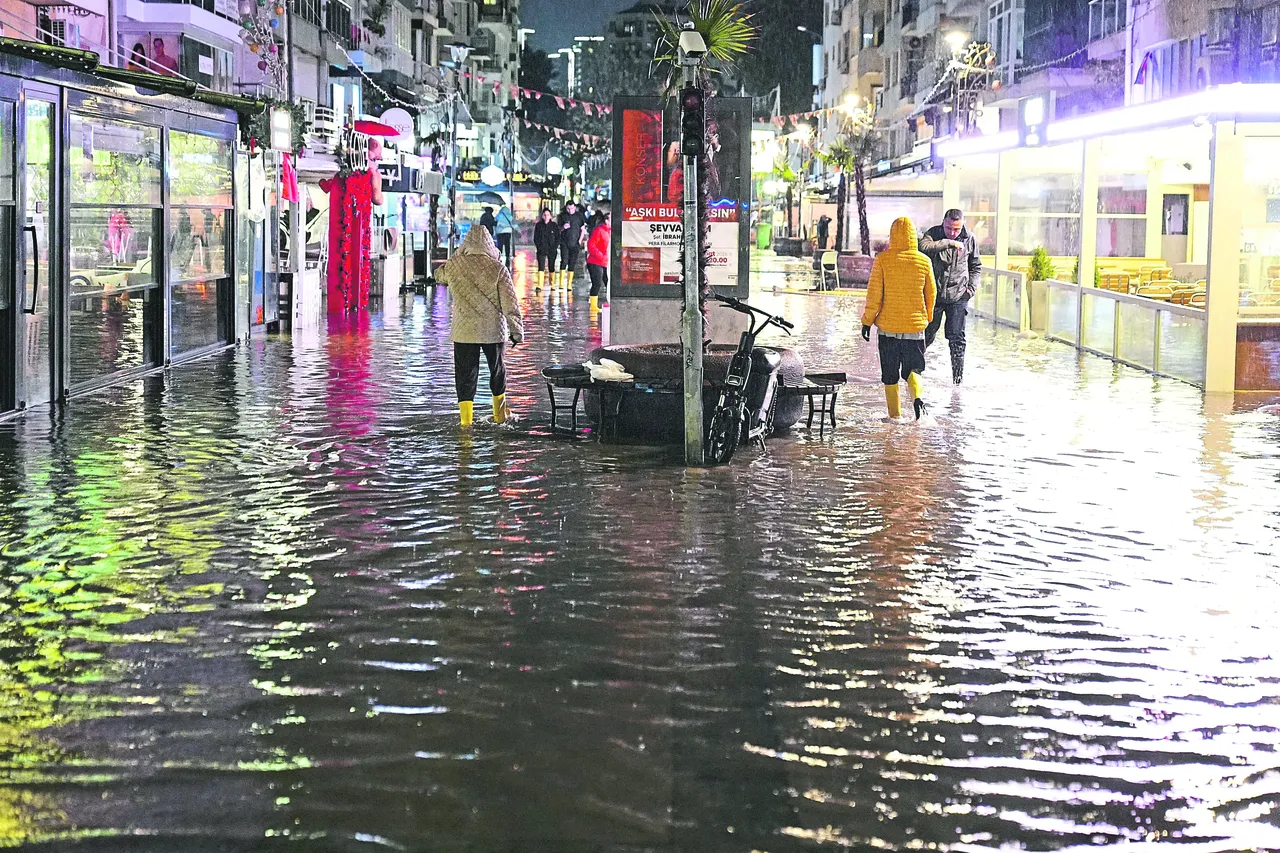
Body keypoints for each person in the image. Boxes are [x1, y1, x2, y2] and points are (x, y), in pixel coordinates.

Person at [436, 224, 524, 427]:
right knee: (497, 371)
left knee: (465, 375)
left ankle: (466, 422)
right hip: (493, 330)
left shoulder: (454, 265)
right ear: (490, 244)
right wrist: (516, 331)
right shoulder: (498, 268)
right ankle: (500, 416)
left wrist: (456, 257)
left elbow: (438, 275)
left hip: (464, 332)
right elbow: (510, 303)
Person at [861, 216, 937, 421]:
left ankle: (894, 418)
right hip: (915, 327)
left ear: (892, 236)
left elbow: (874, 295)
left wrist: (867, 321)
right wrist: (927, 317)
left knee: (890, 374)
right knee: (914, 368)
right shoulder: (924, 261)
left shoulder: (883, 260)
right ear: (913, 236)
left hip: (888, 329)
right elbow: (931, 294)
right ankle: (918, 398)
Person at [918, 208, 981, 384]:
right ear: (943, 223)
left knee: (957, 338)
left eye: (956, 229)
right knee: (926, 335)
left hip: (959, 295)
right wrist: (949, 242)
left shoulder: (970, 238)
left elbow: (975, 266)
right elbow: (923, 247)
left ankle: (957, 381)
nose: (953, 232)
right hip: (934, 295)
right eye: (949, 228)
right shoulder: (933, 233)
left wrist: (970, 290)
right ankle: (914, 374)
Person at [555, 200, 586, 290]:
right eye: (568, 208)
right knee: (564, 261)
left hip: (575, 242)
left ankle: (569, 284)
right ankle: (561, 283)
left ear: (575, 208)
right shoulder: (562, 216)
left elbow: (582, 229)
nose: (570, 210)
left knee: (572, 263)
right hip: (564, 242)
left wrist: (580, 241)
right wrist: (563, 228)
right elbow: (558, 229)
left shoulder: (579, 216)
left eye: (572, 208)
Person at [585, 210, 611, 313]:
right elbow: (591, 245)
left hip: (606, 262)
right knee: (597, 283)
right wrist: (601, 256)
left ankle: (609, 302)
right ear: (606, 221)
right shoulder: (599, 231)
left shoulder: (610, 232)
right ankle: (593, 306)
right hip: (595, 262)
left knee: (607, 282)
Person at [533, 206, 558, 291]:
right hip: (541, 249)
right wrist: (539, 247)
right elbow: (535, 237)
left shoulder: (554, 226)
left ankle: (552, 284)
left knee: (551, 266)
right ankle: (540, 285)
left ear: (550, 216)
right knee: (541, 267)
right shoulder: (538, 225)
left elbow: (558, 237)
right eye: (544, 215)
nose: (546, 217)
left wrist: (555, 247)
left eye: (548, 215)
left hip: (552, 249)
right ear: (542, 216)